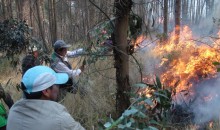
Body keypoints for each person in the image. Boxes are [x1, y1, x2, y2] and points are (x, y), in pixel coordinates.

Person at [7, 66, 85, 130]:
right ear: (46, 91)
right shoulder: (59, 118)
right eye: (57, 85)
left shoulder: (13, 110)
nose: (58, 89)